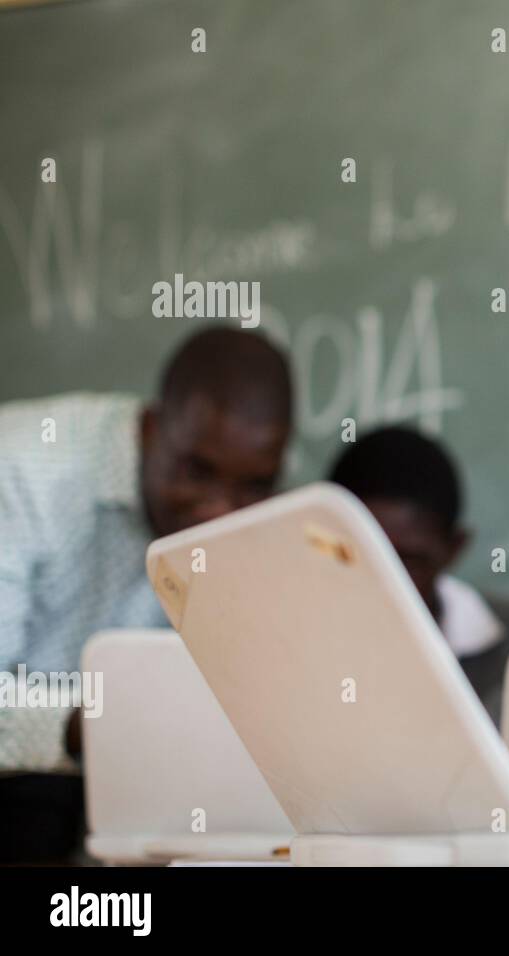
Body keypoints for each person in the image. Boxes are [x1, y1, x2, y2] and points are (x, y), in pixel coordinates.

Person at [0, 325, 293, 862]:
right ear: (151, 429)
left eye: (253, 485)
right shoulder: (21, 471)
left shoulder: (273, 520)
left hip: (116, 811)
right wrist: (95, 723)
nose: (218, 510)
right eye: (197, 471)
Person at [328, 426, 509, 726]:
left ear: (453, 549)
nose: (382, 579)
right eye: (359, 554)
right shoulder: (287, 637)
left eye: (408, 561)